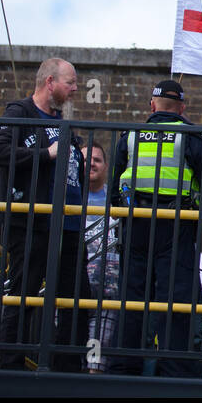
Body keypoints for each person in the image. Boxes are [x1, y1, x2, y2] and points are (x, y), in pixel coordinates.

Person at [109, 77, 202, 377]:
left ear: (152, 105)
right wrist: (196, 223)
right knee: (177, 299)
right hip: (176, 227)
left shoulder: (130, 136)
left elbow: (113, 188)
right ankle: (176, 370)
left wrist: (125, 215)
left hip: (135, 224)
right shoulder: (193, 137)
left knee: (132, 298)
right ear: (182, 108)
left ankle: (123, 366)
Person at [0, 58, 92, 371]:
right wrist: (45, 154)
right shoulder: (19, 112)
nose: (75, 89)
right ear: (50, 82)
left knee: (78, 301)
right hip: (33, 223)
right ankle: (11, 366)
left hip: (69, 226)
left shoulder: (63, 122)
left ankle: (65, 367)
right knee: (25, 294)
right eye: (70, 82)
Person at [82, 142, 119, 373]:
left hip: (107, 294)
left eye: (96, 160)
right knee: (66, 351)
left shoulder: (115, 200)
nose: (91, 164)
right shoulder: (67, 197)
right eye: (86, 160)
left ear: (105, 167)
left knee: (97, 359)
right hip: (68, 290)